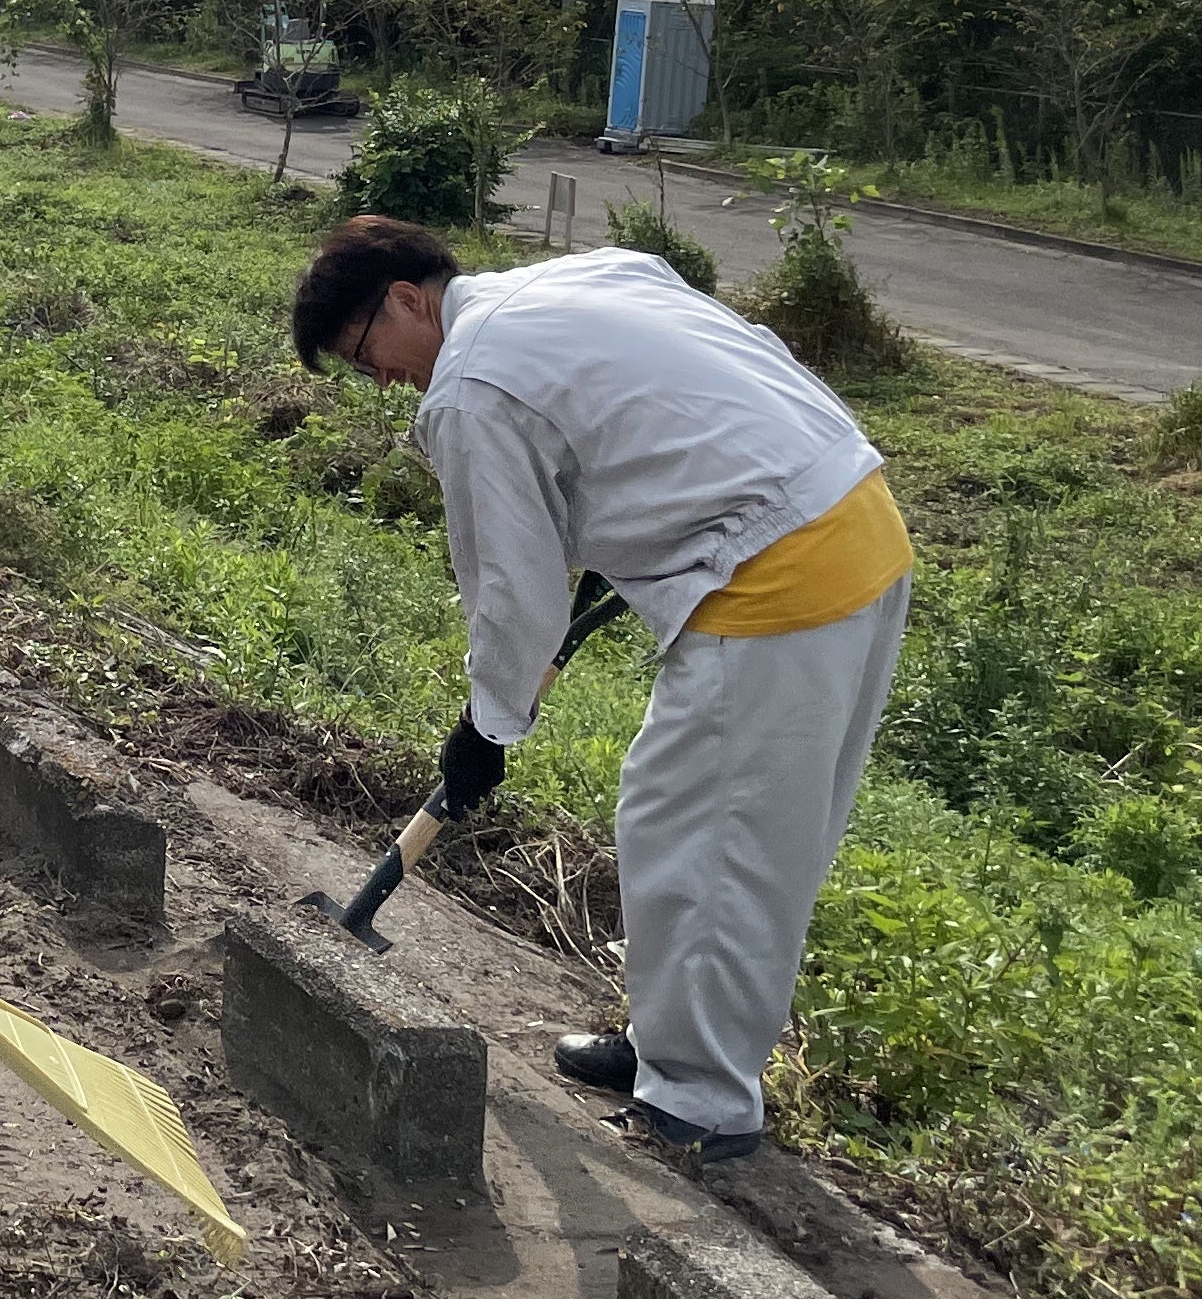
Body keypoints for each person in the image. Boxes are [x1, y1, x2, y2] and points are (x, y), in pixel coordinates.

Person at [294, 217, 912, 1160]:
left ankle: (698, 1104)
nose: (380, 380)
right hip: (854, 515)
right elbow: (676, 399)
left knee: (708, 843)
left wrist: (487, 727)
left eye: (365, 353)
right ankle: (673, 1047)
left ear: (409, 300)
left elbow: (512, 588)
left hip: (778, 573)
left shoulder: (469, 388)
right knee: (733, 836)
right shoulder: (581, 278)